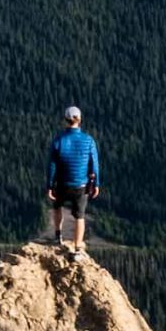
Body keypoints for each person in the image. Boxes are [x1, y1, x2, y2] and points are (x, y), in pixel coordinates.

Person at [45, 104, 100, 251]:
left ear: (65, 120)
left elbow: (52, 166)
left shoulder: (58, 141)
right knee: (80, 216)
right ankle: (77, 248)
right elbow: (94, 164)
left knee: (57, 208)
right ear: (80, 120)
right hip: (81, 185)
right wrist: (96, 184)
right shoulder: (88, 140)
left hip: (62, 183)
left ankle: (58, 237)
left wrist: (50, 185)